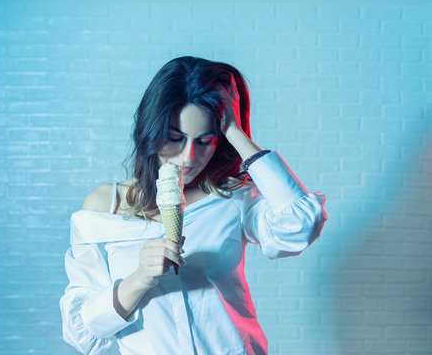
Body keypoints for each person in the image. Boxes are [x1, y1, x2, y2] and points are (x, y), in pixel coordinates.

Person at [60, 56, 327, 355]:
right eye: (175, 138)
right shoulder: (103, 207)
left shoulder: (231, 197)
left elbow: (300, 227)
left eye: (205, 140)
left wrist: (236, 132)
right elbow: (83, 332)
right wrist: (138, 279)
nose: (188, 157)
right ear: (152, 130)